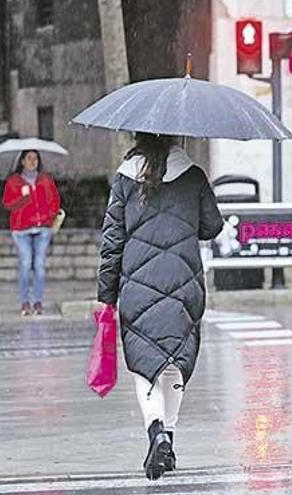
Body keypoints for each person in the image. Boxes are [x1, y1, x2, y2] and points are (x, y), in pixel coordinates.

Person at [96, 133, 223, 481]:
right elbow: (212, 226)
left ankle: (157, 432)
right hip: (185, 280)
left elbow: (112, 241)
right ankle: (169, 436)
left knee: (144, 363)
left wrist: (106, 294)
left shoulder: (124, 179)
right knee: (175, 362)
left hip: (137, 282)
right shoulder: (192, 174)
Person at [1, 150, 61, 316]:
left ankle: (37, 301)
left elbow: (55, 201)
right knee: (26, 264)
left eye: (35, 158)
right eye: (29, 158)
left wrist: (50, 216)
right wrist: (23, 198)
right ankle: (24, 301)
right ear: (22, 161)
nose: (32, 161)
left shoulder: (46, 179)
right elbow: (7, 204)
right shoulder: (14, 181)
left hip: (42, 228)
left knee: (40, 266)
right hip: (21, 229)